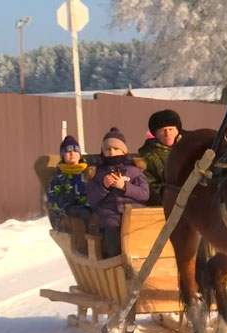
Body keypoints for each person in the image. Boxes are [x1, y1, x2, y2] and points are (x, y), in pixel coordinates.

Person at [87, 129, 149, 257]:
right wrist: (103, 186)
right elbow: (92, 199)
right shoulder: (97, 173)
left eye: (116, 148)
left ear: (124, 150)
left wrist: (125, 186)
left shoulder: (134, 170)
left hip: (135, 216)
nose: (112, 152)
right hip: (111, 218)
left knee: (140, 246)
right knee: (114, 247)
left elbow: (144, 194)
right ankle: (115, 266)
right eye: (108, 149)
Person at [43, 135, 91, 230]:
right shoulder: (59, 176)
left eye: (75, 151)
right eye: (68, 151)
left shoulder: (88, 172)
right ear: (63, 156)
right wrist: (68, 207)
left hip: (87, 208)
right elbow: (54, 198)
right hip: (66, 212)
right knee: (77, 220)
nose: (72, 154)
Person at [138, 109, 183, 206]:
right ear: (156, 134)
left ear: (177, 130)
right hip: (167, 205)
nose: (167, 134)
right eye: (163, 130)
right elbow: (148, 187)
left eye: (171, 129)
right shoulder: (148, 157)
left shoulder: (189, 147)